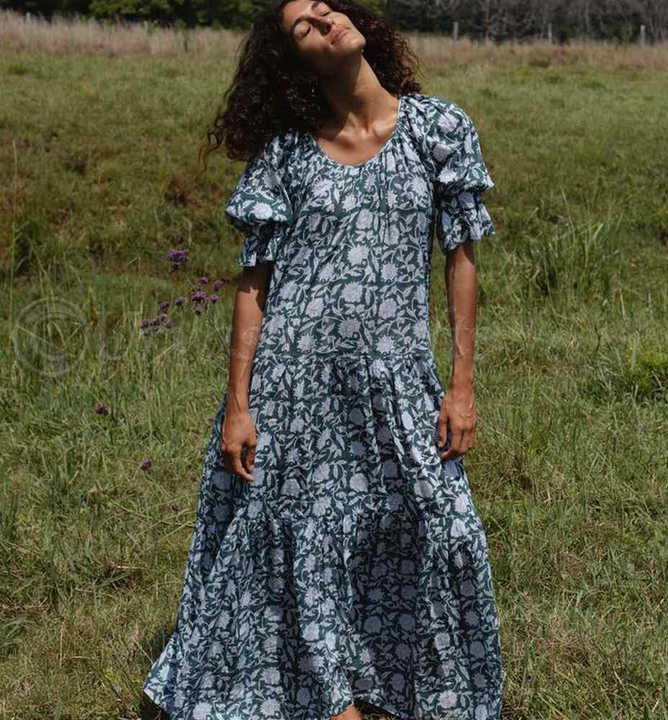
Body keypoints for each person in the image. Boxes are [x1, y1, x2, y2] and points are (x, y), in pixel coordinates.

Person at [143, 1, 503, 718]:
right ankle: (332, 699)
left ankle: (420, 691)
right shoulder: (286, 156)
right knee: (301, 544)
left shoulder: (438, 128)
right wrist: (239, 405)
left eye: (325, 5)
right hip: (292, 389)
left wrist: (461, 385)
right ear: (296, 63)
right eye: (304, 26)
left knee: (440, 525)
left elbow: (461, 260)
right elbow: (253, 287)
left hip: (396, 383)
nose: (324, 18)